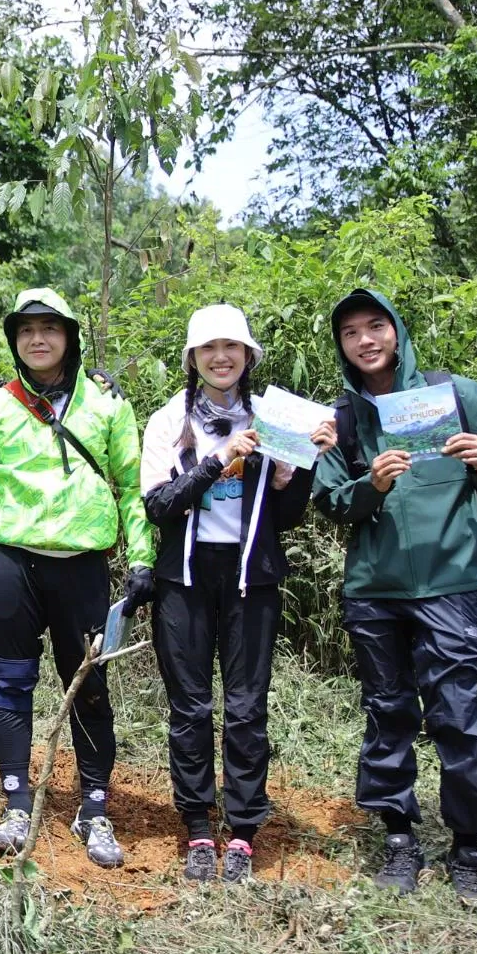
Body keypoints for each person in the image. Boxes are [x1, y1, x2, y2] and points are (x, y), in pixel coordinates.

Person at [0, 289, 156, 868]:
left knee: (89, 685)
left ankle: (95, 808)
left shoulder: (105, 403)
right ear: (14, 340)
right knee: (12, 682)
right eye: (26, 330)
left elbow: (131, 486)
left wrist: (143, 558)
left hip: (83, 566)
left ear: (70, 336)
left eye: (50, 328)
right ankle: (16, 803)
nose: (37, 339)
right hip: (13, 563)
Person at [312, 288, 477, 905]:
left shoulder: (454, 394)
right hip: (375, 589)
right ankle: (399, 837)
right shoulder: (342, 419)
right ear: (342, 346)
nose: (365, 340)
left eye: (375, 326)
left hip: (450, 580)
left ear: (396, 331)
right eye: (351, 333)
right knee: (389, 712)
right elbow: (330, 503)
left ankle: (467, 848)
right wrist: (370, 485)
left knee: (458, 713)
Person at [140, 304, 334, 884]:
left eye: (232, 348)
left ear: (248, 357)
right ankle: (199, 826)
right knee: (191, 708)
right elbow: (158, 505)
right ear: (193, 360)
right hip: (185, 578)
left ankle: (244, 831)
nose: (221, 357)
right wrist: (219, 460)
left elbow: (288, 517)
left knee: (247, 708)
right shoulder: (169, 421)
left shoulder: (274, 418)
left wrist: (297, 468)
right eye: (208, 349)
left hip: (254, 577)